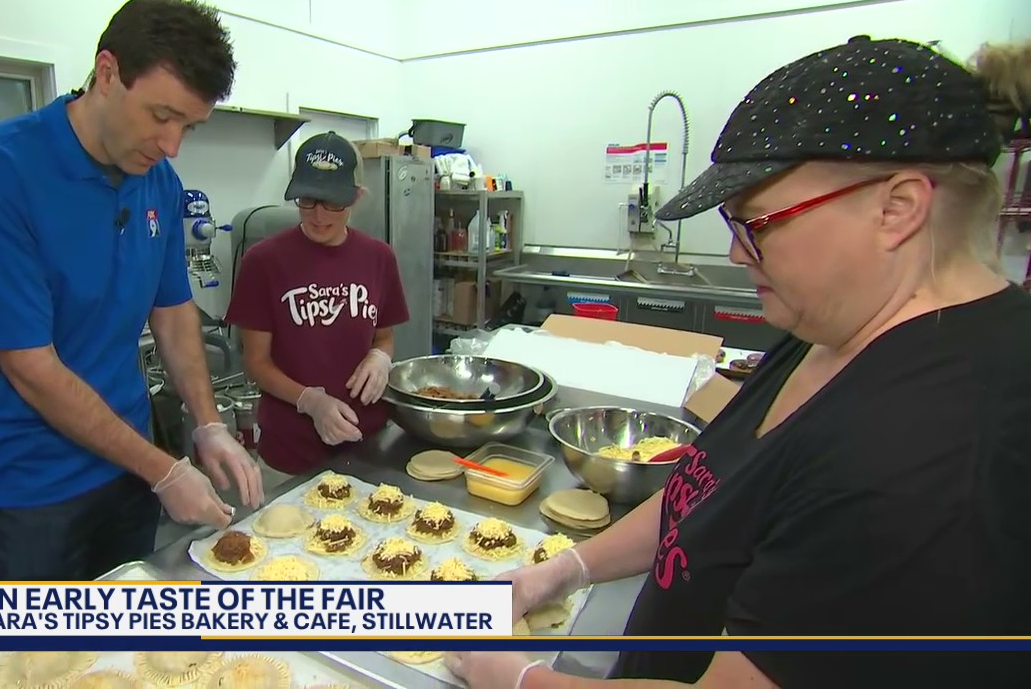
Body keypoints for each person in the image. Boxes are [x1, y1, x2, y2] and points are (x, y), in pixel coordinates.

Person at [447, 36, 1031, 688]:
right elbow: (706, 497)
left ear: (896, 209)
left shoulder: (928, 457)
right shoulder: (833, 326)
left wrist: (516, 678)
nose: (733, 254)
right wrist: (563, 570)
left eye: (755, 222)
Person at [0, 0, 263, 582]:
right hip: (32, 481)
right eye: (162, 116)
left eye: (188, 125)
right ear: (107, 73)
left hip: (125, 463)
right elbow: (29, 365)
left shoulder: (156, 180)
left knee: (126, 643)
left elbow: (173, 311)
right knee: (48, 661)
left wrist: (207, 421)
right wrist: (165, 470)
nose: (171, 145)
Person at [225, 132, 410, 487]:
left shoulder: (378, 258)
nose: (319, 215)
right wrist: (309, 401)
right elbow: (256, 362)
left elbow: (384, 337)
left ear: (356, 197)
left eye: (333, 203)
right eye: (308, 200)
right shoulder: (263, 262)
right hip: (291, 456)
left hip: (367, 447)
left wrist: (380, 359)